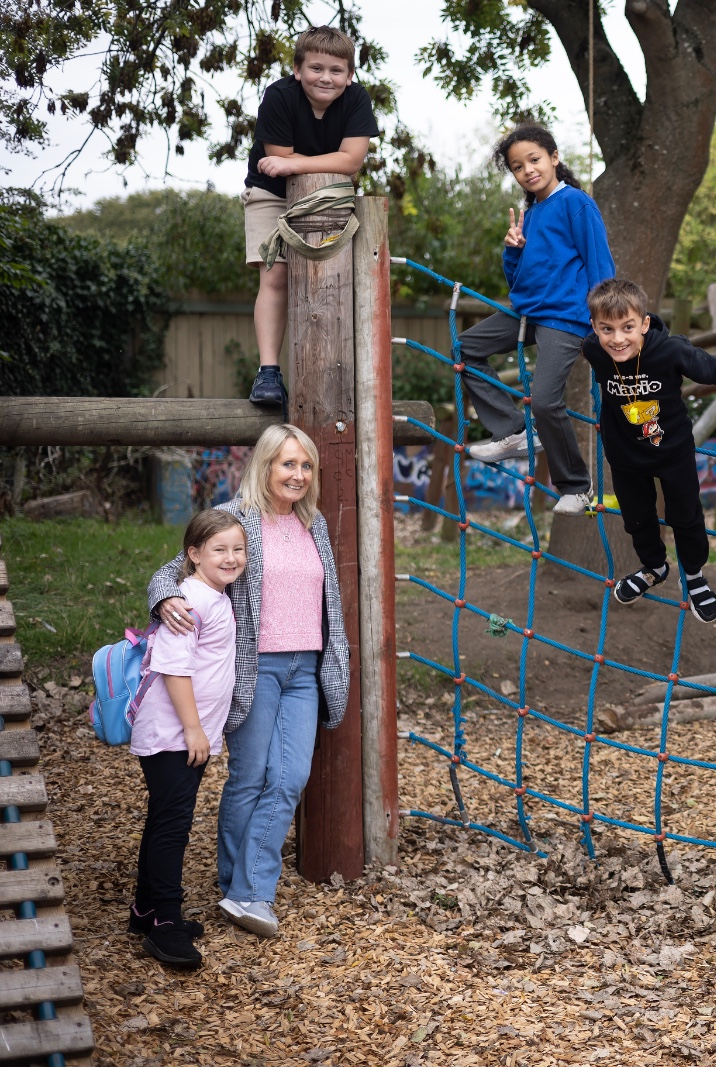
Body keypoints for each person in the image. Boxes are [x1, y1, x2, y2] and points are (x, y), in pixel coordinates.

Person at [148, 424, 350, 939]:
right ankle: (240, 888)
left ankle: (247, 892)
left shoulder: (314, 524)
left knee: (290, 778)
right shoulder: (237, 519)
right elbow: (173, 568)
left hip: (305, 668)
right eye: (288, 464)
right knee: (250, 778)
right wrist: (163, 599)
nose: (298, 475)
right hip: (253, 667)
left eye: (306, 466)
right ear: (265, 465)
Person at [458, 124, 615, 516]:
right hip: (527, 312)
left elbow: (601, 266)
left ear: (554, 158)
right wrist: (513, 250)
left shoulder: (575, 203)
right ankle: (511, 430)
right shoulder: (530, 214)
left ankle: (576, 487)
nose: (527, 170)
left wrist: (604, 323)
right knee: (466, 348)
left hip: (565, 316)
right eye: (517, 166)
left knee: (545, 401)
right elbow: (519, 281)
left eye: (534, 159)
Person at [580, 278, 716, 621]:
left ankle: (695, 576)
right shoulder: (593, 350)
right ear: (594, 328)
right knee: (637, 518)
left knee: (685, 516)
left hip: (672, 451)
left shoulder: (669, 350)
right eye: (606, 329)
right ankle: (654, 567)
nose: (617, 338)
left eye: (627, 327)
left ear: (645, 324)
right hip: (625, 454)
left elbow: (704, 366)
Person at [129, 509, 248, 969]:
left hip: (185, 734)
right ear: (194, 554)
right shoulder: (189, 601)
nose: (231, 557)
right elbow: (173, 669)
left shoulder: (214, 595)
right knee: (172, 826)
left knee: (165, 819)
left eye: (238, 549)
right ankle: (165, 925)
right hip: (174, 734)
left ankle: (144, 911)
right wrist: (195, 729)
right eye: (219, 549)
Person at [242, 26, 378, 412]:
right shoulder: (280, 96)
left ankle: (336, 368)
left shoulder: (356, 100)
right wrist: (292, 164)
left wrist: (295, 161)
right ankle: (269, 371)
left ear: (349, 76)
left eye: (336, 70)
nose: (326, 77)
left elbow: (351, 162)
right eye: (316, 68)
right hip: (272, 193)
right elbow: (278, 166)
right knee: (277, 274)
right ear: (297, 70)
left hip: (329, 195)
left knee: (333, 277)